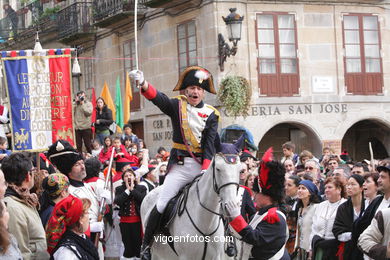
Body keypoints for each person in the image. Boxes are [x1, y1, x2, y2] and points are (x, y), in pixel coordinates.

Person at [130, 66, 220, 259]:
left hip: (202, 169)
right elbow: (158, 99)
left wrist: (205, 170)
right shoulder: (177, 106)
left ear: (203, 92)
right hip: (180, 167)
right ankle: (147, 245)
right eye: (191, 88)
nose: (195, 92)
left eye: (199, 89)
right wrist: (143, 83)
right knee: (162, 203)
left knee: (222, 202)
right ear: (185, 90)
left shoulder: (212, 114)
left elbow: (210, 145)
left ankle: (229, 243)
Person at [47, 140, 109, 260]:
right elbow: (67, 222)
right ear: (68, 170)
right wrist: (92, 227)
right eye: (77, 165)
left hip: (93, 239)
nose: (82, 167)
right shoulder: (67, 192)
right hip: (79, 241)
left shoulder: (86, 185)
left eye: (82, 163)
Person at [225, 148, 289, 259]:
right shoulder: (261, 214)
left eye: (256, 193)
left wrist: (236, 217)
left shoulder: (273, 217)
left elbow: (255, 238)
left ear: (267, 195)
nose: (254, 197)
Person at [2, 152, 49, 259]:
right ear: (28, 176)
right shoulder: (12, 207)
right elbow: (21, 252)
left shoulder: (23, 198)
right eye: (33, 171)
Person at [46, 195, 99, 260]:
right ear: (80, 219)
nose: (89, 218)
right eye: (87, 213)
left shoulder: (82, 239)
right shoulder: (67, 252)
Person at [310, 177, 346, 260]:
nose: (326, 190)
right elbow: (314, 228)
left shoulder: (346, 205)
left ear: (339, 189)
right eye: (325, 188)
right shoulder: (320, 206)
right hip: (319, 247)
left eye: (330, 187)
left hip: (335, 249)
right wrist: (311, 248)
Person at [115, 168, 146, 259]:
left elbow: (143, 199)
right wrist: (127, 190)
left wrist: (132, 189)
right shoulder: (119, 189)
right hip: (125, 222)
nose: (128, 177)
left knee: (138, 245)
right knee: (127, 246)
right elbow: (118, 201)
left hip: (138, 221)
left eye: (130, 175)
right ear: (123, 179)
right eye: (126, 176)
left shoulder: (141, 188)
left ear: (134, 177)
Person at [332, 174, 365, 260]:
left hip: (366, 248)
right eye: (348, 184)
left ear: (361, 187)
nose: (349, 187)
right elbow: (337, 230)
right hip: (348, 249)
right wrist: (353, 236)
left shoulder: (369, 205)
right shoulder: (343, 208)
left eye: (353, 184)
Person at [294, 180, 321, 259]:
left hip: (310, 249)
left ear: (310, 192)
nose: (300, 190)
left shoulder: (316, 208)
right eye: (299, 188)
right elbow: (299, 230)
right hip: (301, 248)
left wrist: (311, 249)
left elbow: (316, 229)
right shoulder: (300, 209)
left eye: (303, 188)